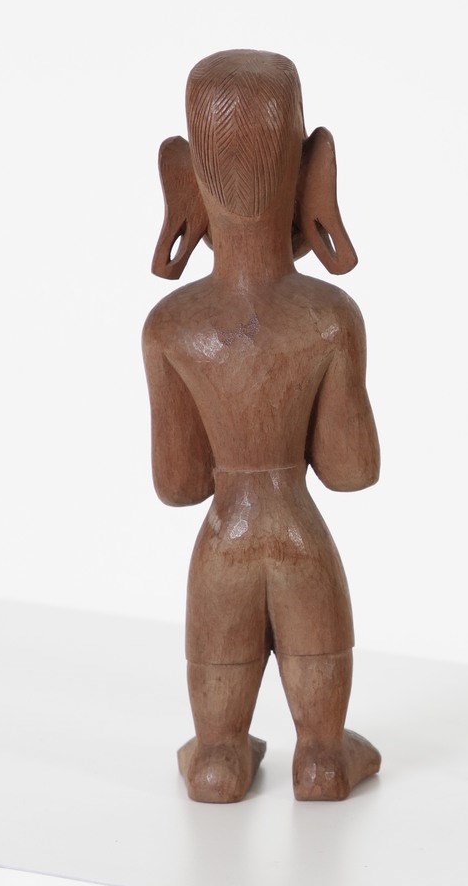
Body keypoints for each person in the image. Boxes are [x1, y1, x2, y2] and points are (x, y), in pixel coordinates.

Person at [143, 49, 380, 802]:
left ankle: (219, 755)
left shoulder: (172, 327)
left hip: (223, 543)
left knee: (213, 758)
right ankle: (321, 755)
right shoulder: (329, 319)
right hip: (300, 536)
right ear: (315, 173)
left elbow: (179, 483)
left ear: (182, 178)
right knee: (323, 759)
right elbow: (351, 469)